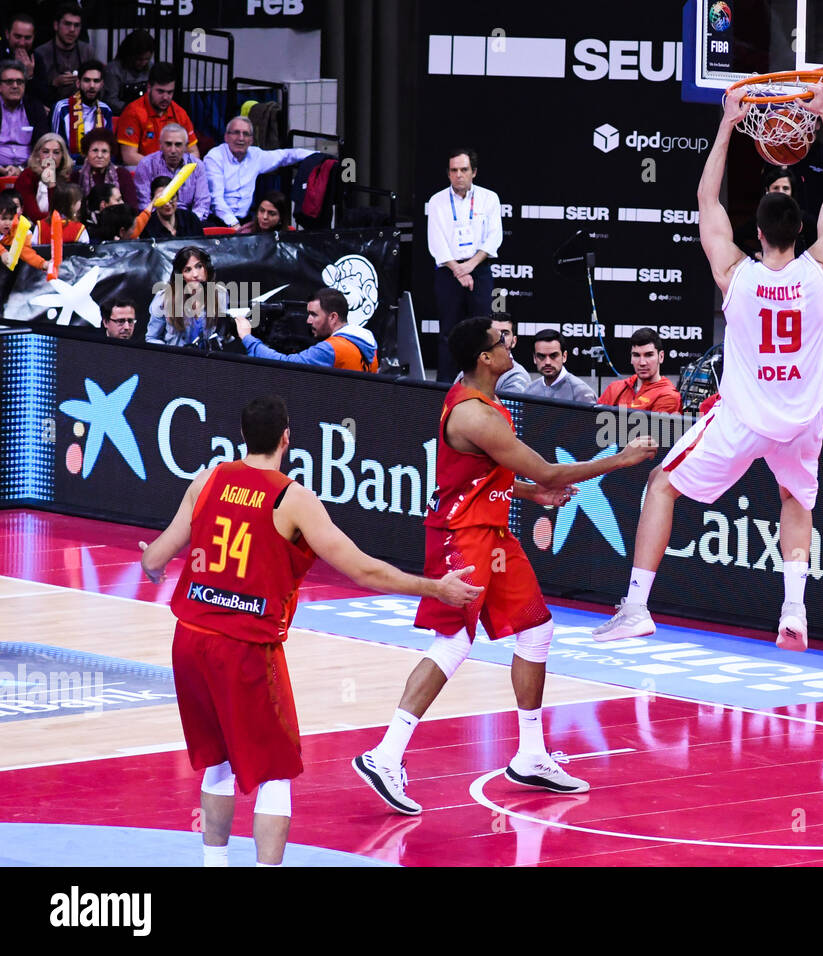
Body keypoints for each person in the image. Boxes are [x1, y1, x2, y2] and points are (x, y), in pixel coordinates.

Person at [140, 394, 483, 864]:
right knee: (276, 772)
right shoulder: (292, 498)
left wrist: (154, 566)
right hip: (245, 647)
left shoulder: (208, 480)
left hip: (191, 641)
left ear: (243, 435)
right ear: (287, 437)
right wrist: (435, 589)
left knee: (217, 763)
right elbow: (364, 571)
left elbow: (155, 558)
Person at [352, 317, 656, 812]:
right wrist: (618, 460)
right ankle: (385, 756)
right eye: (499, 342)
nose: (508, 344)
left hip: (492, 532)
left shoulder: (487, 406)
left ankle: (531, 754)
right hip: (460, 536)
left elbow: (488, 475)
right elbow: (549, 468)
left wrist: (532, 493)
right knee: (453, 642)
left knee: (537, 630)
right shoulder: (475, 414)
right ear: (484, 359)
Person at [593, 81, 823, 652]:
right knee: (795, 501)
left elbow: (707, 203)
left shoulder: (736, 275)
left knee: (661, 486)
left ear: (756, 233)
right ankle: (794, 611)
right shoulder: (821, 269)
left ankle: (636, 608)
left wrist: (728, 123)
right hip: (803, 418)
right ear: (800, 232)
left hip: (743, 417)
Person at [428, 147, 503, 381]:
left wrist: (470, 265)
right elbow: (436, 242)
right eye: (454, 170)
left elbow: (494, 237)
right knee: (449, 332)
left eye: (463, 169)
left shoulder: (489, 198)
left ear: (474, 172)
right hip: (448, 270)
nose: (458, 174)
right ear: (448, 173)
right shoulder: (437, 201)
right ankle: (446, 389)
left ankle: (483, 384)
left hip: (478, 269)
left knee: (482, 332)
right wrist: (457, 269)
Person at [235, 287, 378, 372]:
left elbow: (284, 364)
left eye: (314, 315)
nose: (308, 320)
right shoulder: (367, 343)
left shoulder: (331, 349)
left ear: (333, 317)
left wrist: (248, 338)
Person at [204, 116, 312, 228]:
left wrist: (317, 155)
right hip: (218, 220)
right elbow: (216, 200)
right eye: (236, 132)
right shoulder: (215, 157)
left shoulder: (256, 155)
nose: (241, 138)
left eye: (246, 134)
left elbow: (285, 156)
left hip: (245, 220)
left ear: (251, 140)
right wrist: (234, 224)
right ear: (226, 137)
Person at [117, 62, 198, 165]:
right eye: (160, 91)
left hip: (174, 171)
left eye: (169, 92)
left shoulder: (180, 113)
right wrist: (162, 167)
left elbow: (194, 152)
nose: (165, 97)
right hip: (142, 170)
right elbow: (129, 157)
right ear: (149, 87)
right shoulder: (133, 112)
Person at [147, 245, 226, 348]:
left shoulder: (220, 294)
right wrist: (169, 353)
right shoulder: (163, 298)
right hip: (174, 360)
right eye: (187, 270)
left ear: (207, 268)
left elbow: (221, 335)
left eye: (199, 266)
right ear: (181, 276)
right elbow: (152, 338)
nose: (195, 274)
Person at [131, 122, 209, 219]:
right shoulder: (146, 165)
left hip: (189, 220)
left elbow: (202, 204)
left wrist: (191, 223)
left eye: (178, 145)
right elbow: (144, 204)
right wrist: (165, 223)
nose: (173, 150)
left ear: (186, 146)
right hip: (157, 221)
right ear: (160, 144)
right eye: (168, 144)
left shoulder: (198, 166)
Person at [595, 327, 682, 412]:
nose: (642, 363)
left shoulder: (669, 396)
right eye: (636, 355)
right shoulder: (614, 388)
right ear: (631, 358)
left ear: (661, 357)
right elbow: (592, 422)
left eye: (649, 355)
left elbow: (652, 427)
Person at [34, 2, 93, 105]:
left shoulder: (87, 51)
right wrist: (54, 84)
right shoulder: (41, 53)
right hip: (50, 109)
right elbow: (35, 92)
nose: (72, 30)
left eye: (77, 25)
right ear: (56, 25)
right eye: (67, 24)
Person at [453, 315, 530, 394]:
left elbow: (504, 406)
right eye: (495, 333)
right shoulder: (470, 369)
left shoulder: (517, 376)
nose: (501, 338)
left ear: (514, 341)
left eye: (505, 333)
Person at [51, 58, 111, 158]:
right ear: (78, 83)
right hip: (68, 168)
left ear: (101, 84)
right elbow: (56, 148)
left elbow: (109, 148)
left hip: (98, 165)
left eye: (96, 81)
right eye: (87, 80)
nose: (92, 86)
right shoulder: (61, 108)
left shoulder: (106, 110)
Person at [0, 61, 51, 177]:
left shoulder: (35, 107)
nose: (15, 86)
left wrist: (22, 169)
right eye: (9, 82)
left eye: (20, 82)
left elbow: (43, 143)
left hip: (30, 169)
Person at [522, 328, 597, 403]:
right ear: (534, 358)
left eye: (553, 356)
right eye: (541, 356)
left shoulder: (581, 393)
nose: (547, 362)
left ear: (564, 356)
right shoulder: (529, 391)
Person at [15, 132, 73, 221]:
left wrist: (52, 185)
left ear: (63, 155)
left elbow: (70, 214)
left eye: (56, 152)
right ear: (38, 154)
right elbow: (34, 216)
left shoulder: (68, 176)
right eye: (45, 152)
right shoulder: (27, 176)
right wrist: (50, 184)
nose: (51, 157)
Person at [77, 127, 138, 210]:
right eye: (95, 150)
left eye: (104, 151)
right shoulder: (77, 177)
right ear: (86, 153)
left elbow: (132, 208)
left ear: (110, 154)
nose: (99, 155)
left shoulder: (123, 175)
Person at [1, 14, 51, 107]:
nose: (22, 43)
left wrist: (30, 77)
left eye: (27, 38)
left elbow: (44, 97)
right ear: (7, 34)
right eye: (17, 36)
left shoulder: (36, 58)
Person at [103, 28, 154, 114]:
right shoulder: (113, 70)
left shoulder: (151, 68)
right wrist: (135, 109)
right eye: (139, 59)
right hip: (121, 116)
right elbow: (110, 100)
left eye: (147, 59)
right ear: (129, 55)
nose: (144, 63)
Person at [138, 174, 202, 239]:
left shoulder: (191, 219)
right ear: (152, 200)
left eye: (172, 197)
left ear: (178, 197)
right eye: (162, 199)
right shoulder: (147, 226)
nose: (167, 204)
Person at [0, 188, 47, 271]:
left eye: (11, 219)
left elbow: (26, 252)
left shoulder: (19, 232)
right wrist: (2, 252)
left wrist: (43, 264)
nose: (8, 222)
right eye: (4, 219)